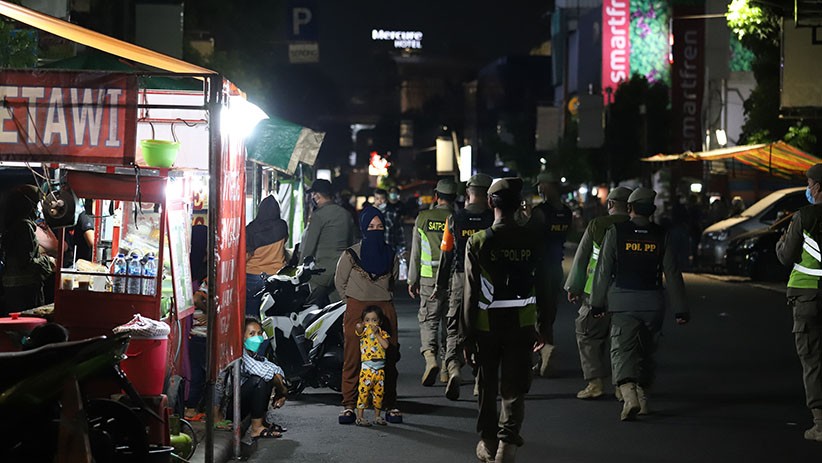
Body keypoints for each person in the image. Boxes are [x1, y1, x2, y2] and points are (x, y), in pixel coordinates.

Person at [463, 177, 545, 463]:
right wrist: (543, 327)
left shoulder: (479, 241)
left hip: (487, 326)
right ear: (518, 205)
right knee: (514, 387)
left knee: (486, 387)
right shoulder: (533, 239)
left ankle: (487, 442)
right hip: (521, 325)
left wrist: (467, 335)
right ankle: (506, 448)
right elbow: (545, 285)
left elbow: (470, 294)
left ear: (490, 203)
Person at [589, 187, 689, 422]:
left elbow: (603, 271)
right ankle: (644, 400)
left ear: (631, 208)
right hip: (653, 303)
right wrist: (681, 309)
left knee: (622, 351)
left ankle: (629, 395)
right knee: (646, 351)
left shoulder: (616, 232)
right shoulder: (660, 234)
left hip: (623, 302)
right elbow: (673, 273)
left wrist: (596, 303)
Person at [564, 186, 632, 400]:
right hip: (629, 293)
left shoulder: (598, 225)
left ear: (610, 204)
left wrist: (574, 287)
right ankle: (623, 386)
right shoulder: (637, 227)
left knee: (588, 335)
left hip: (595, 293)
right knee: (622, 341)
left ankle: (595, 383)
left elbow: (582, 258)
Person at [335, 206, 401, 424]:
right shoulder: (351, 253)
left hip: (385, 308)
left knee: (389, 355)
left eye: (380, 227)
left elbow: (393, 280)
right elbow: (340, 282)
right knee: (354, 356)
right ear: (363, 228)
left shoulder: (390, 253)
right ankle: (349, 405)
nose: (375, 230)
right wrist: (353, 304)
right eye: (371, 227)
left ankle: (390, 404)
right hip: (356, 309)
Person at [435, 173, 494, 400]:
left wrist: (441, 286)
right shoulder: (493, 219)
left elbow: (446, 256)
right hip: (487, 281)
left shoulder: (455, 219)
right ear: (488, 195)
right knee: (483, 329)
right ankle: (480, 380)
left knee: (453, 326)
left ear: (469, 192)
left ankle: (453, 368)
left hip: (460, 278)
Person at [775, 163, 822, 442]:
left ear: (817, 187)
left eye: (808, 183)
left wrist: (781, 243)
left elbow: (785, 255)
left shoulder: (804, 217)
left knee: (813, 360)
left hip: (807, 296)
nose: (807, 188)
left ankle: (820, 423)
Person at [408, 179, 456, 386]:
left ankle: (430, 360)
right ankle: (446, 368)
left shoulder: (423, 218)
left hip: (429, 279)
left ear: (436, 196)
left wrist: (412, 279)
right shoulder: (458, 218)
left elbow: (415, 253)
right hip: (455, 280)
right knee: (450, 322)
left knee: (429, 320)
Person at [214, 317, 288, 438]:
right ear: (242, 337)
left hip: (240, 403)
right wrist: (283, 391)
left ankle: (262, 422)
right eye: (251, 334)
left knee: (266, 379)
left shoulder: (252, 354)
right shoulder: (238, 354)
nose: (257, 338)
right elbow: (264, 373)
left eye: (259, 334)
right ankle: (256, 428)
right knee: (259, 380)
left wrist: (282, 389)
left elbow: (276, 369)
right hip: (230, 409)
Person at [529, 171, 572, 375]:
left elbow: (529, 237)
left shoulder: (540, 212)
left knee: (537, 312)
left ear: (549, 186)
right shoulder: (566, 212)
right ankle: (546, 353)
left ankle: (544, 349)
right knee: (549, 312)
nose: (539, 188)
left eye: (541, 185)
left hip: (540, 268)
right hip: (556, 267)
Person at [301, 179, 356, 306]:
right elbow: (352, 242)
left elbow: (309, 246)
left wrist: (300, 268)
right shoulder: (346, 214)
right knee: (339, 308)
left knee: (307, 304)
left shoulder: (318, 215)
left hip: (322, 271)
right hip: (343, 268)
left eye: (313, 195)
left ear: (317, 196)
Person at [1, 185, 55, 315]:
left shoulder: (12, 225)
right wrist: (50, 261)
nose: (38, 209)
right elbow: (27, 263)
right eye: (37, 204)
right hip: (25, 292)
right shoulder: (24, 227)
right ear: (29, 205)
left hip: (12, 291)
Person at [245, 196, 289, 318]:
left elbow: (246, 256)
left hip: (252, 276)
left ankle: (253, 336)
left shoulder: (251, 228)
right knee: (273, 315)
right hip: (276, 276)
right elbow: (285, 242)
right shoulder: (282, 226)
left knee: (252, 315)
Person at [354, 306, 391, 427]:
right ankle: (360, 417)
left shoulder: (382, 333)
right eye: (368, 320)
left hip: (379, 369)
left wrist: (377, 334)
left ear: (379, 322)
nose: (371, 323)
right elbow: (358, 330)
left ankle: (377, 416)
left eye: (374, 320)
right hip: (367, 368)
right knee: (363, 394)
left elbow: (385, 346)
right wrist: (359, 326)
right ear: (364, 322)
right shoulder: (364, 332)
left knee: (379, 394)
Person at [185, 281, 208, 420]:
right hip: (201, 336)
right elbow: (196, 298)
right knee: (199, 374)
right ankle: (191, 409)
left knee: (199, 374)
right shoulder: (210, 281)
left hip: (199, 336)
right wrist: (209, 312)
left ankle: (193, 408)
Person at [373, 188, 407, 256]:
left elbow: (399, 232)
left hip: (389, 251)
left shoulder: (393, 214)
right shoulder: (369, 214)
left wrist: (403, 249)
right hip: (373, 250)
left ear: (386, 199)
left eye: (382, 198)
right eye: (377, 198)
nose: (380, 201)